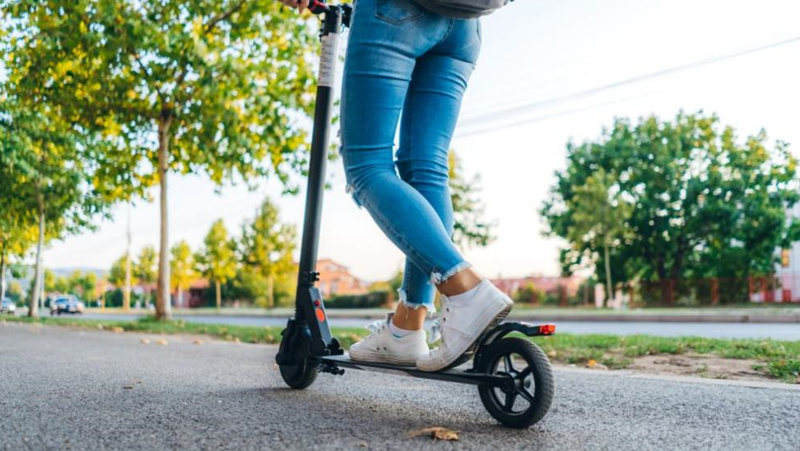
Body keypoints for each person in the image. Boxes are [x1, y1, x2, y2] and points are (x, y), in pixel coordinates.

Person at [278, 0, 513, 372]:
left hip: (397, 13)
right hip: (467, 24)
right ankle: (407, 328)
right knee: (426, 167)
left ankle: (464, 288)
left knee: (366, 164)